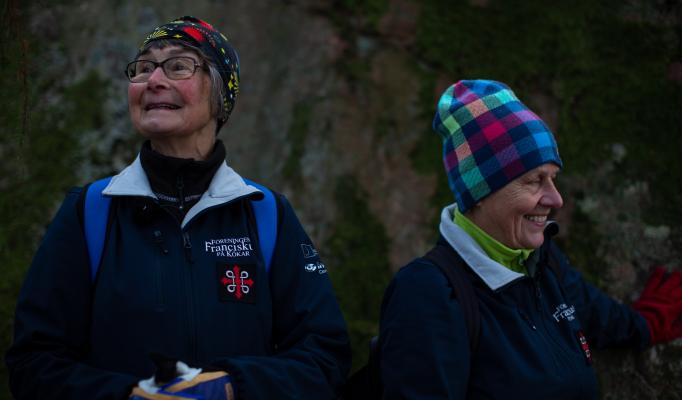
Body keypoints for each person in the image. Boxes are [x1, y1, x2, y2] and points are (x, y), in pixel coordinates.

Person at [6, 16, 351, 399]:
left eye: (177, 66)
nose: (153, 80)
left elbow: (324, 357)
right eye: (143, 68)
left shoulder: (266, 213)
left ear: (221, 94)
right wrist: (130, 395)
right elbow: (33, 363)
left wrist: (233, 387)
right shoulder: (89, 212)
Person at [378, 79, 682, 399]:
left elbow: (598, 317)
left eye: (553, 178)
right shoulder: (430, 292)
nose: (556, 198)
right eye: (535, 181)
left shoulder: (542, 261)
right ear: (481, 191)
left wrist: (646, 325)